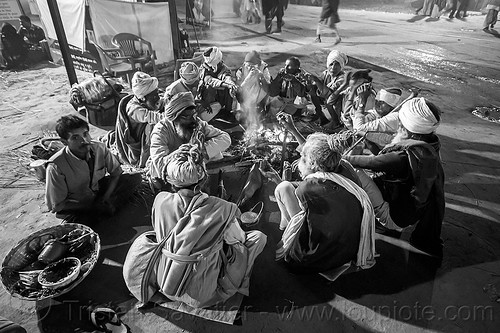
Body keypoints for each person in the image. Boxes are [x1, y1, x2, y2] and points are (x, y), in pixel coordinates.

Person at [152, 144, 267, 308]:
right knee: (258, 238)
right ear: (203, 179)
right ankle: (236, 286)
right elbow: (239, 239)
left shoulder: (160, 200)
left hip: (166, 283)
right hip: (200, 296)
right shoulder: (223, 208)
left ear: (171, 182)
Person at [262, 113, 375, 275]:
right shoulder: (345, 167)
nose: (299, 160)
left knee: (284, 188)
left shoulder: (307, 189)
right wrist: (292, 129)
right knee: (288, 187)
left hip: (317, 259)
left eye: (303, 157)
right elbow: (315, 153)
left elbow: (301, 224)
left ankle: (284, 230)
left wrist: (279, 180)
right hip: (348, 252)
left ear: (313, 164)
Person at [345, 97, 445, 258]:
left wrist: (333, 154)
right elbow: (384, 160)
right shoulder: (429, 145)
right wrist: (366, 138)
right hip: (410, 213)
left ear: (404, 126)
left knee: (351, 170)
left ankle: (371, 219)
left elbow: (369, 162)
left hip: (394, 218)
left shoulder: (403, 156)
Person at [45, 115, 142, 217]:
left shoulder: (99, 148)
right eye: (75, 138)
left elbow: (116, 173)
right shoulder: (56, 166)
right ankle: (100, 212)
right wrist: (91, 206)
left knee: (135, 178)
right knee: (81, 223)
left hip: (99, 192)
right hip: (78, 204)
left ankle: (105, 207)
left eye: (85, 134)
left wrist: (106, 197)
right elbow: (56, 205)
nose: (84, 141)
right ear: (64, 142)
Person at [148, 92, 231, 189]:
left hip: (194, 166)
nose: (194, 121)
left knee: (216, 156)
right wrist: (179, 154)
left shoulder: (197, 123)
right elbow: (159, 163)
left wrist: (201, 150)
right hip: (174, 171)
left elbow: (225, 138)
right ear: (175, 118)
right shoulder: (160, 130)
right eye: (186, 117)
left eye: (194, 115)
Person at [115, 71, 164, 168]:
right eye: (154, 96)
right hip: (139, 147)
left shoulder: (148, 99)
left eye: (157, 93)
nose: (157, 98)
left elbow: (162, 100)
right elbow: (157, 118)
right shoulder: (134, 110)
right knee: (154, 127)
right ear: (142, 98)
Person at [306, 50, 349, 129]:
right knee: (312, 91)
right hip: (327, 105)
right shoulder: (326, 73)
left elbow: (329, 94)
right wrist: (308, 81)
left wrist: (316, 80)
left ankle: (336, 122)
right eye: (331, 64)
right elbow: (316, 87)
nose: (333, 67)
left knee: (330, 99)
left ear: (341, 66)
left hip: (339, 107)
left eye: (337, 64)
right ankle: (320, 115)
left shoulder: (343, 78)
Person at [351, 88, 403, 153]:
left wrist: (362, 104)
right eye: (376, 101)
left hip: (389, 152)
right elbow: (355, 118)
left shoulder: (394, 117)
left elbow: (358, 128)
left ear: (391, 106)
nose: (377, 105)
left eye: (382, 102)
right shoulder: (378, 113)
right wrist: (357, 106)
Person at [198, 47, 238, 123]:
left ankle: (227, 112)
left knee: (229, 89)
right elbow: (210, 80)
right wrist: (225, 84)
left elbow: (225, 75)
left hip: (219, 95)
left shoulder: (221, 66)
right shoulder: (203, 69)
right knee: (209, 87)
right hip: (205, 99)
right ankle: (210, 113)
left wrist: (231, 84)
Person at [235, 50, 271, 124]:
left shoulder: (263, 68)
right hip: (245, 95)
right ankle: (243, 110)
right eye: (248, 65)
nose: (249, 68)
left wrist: (261, 76)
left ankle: (262, 108)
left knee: (260, 118)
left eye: (252, 66)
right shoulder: (240, 71)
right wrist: (249, 77)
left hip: (258, 94)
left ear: (257, 64)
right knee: (241, 119)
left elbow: (268, 87)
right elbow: (239, 89)